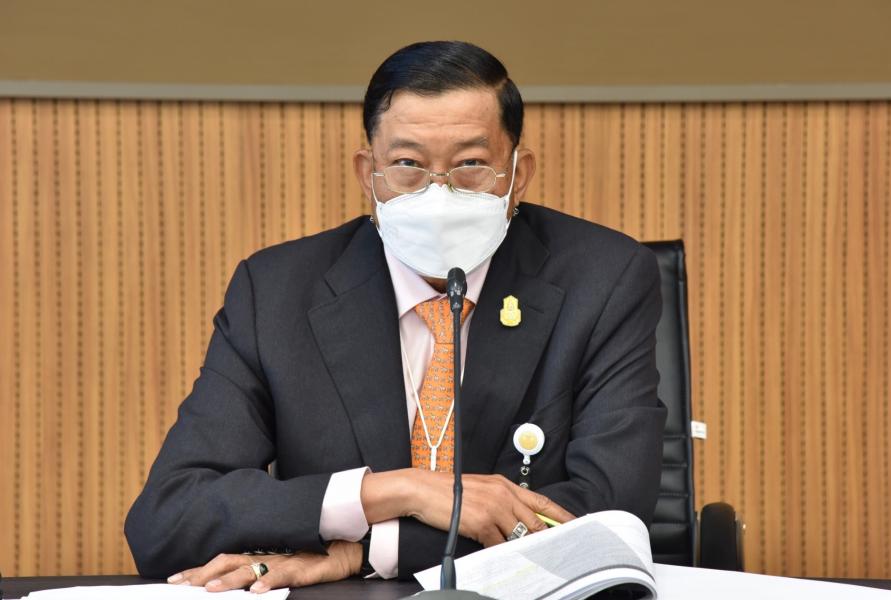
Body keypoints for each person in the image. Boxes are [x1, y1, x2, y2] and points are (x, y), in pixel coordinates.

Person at [125, 40, 666, 593]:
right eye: (408, 165)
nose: (439, 192)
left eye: (471, 165)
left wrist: (368, 550)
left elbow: (609, 514)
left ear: (517, 174)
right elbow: (167, 518)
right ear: (369, 173)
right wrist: (394, 491)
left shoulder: (604, 278)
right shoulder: (277, 292)